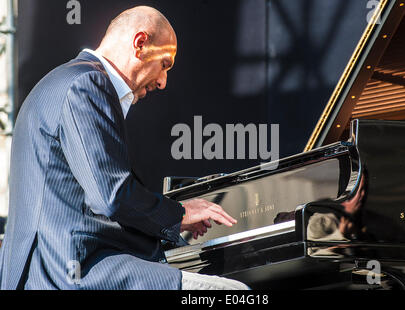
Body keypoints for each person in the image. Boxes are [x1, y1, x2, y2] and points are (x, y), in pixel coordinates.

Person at [0, 6, 248, 290]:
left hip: (44, 274)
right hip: (73, 273)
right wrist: (179, 214)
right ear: (140, 44)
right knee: (234, 293)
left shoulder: (59, 82)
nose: (163, 82)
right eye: (164, 64)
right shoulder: (87, 83)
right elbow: (111, 195)